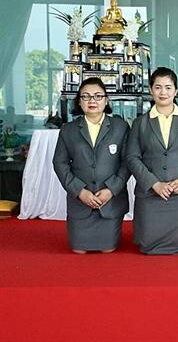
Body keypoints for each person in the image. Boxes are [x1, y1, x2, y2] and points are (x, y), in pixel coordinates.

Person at [126, 67, 178, 255]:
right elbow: (131, 157)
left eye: (168, 87)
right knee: (148, 247)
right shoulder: (140, 123)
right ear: (150, 90)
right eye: (158, 87)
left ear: (176, 91)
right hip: (150, 193)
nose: (163, 92)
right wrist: (154, 184)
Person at [53, 77, 130, 254]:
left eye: (97, 96)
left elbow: (127, 162)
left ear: (106, 99)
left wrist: (111, 189)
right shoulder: (68, 130)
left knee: (108, 250)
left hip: (110, 200)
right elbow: (60, 163)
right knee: (79, 250)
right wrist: (80, 191)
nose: (92, 101)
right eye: (86, 97)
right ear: (79, 101)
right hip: (80, 201)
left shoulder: (121, 127)